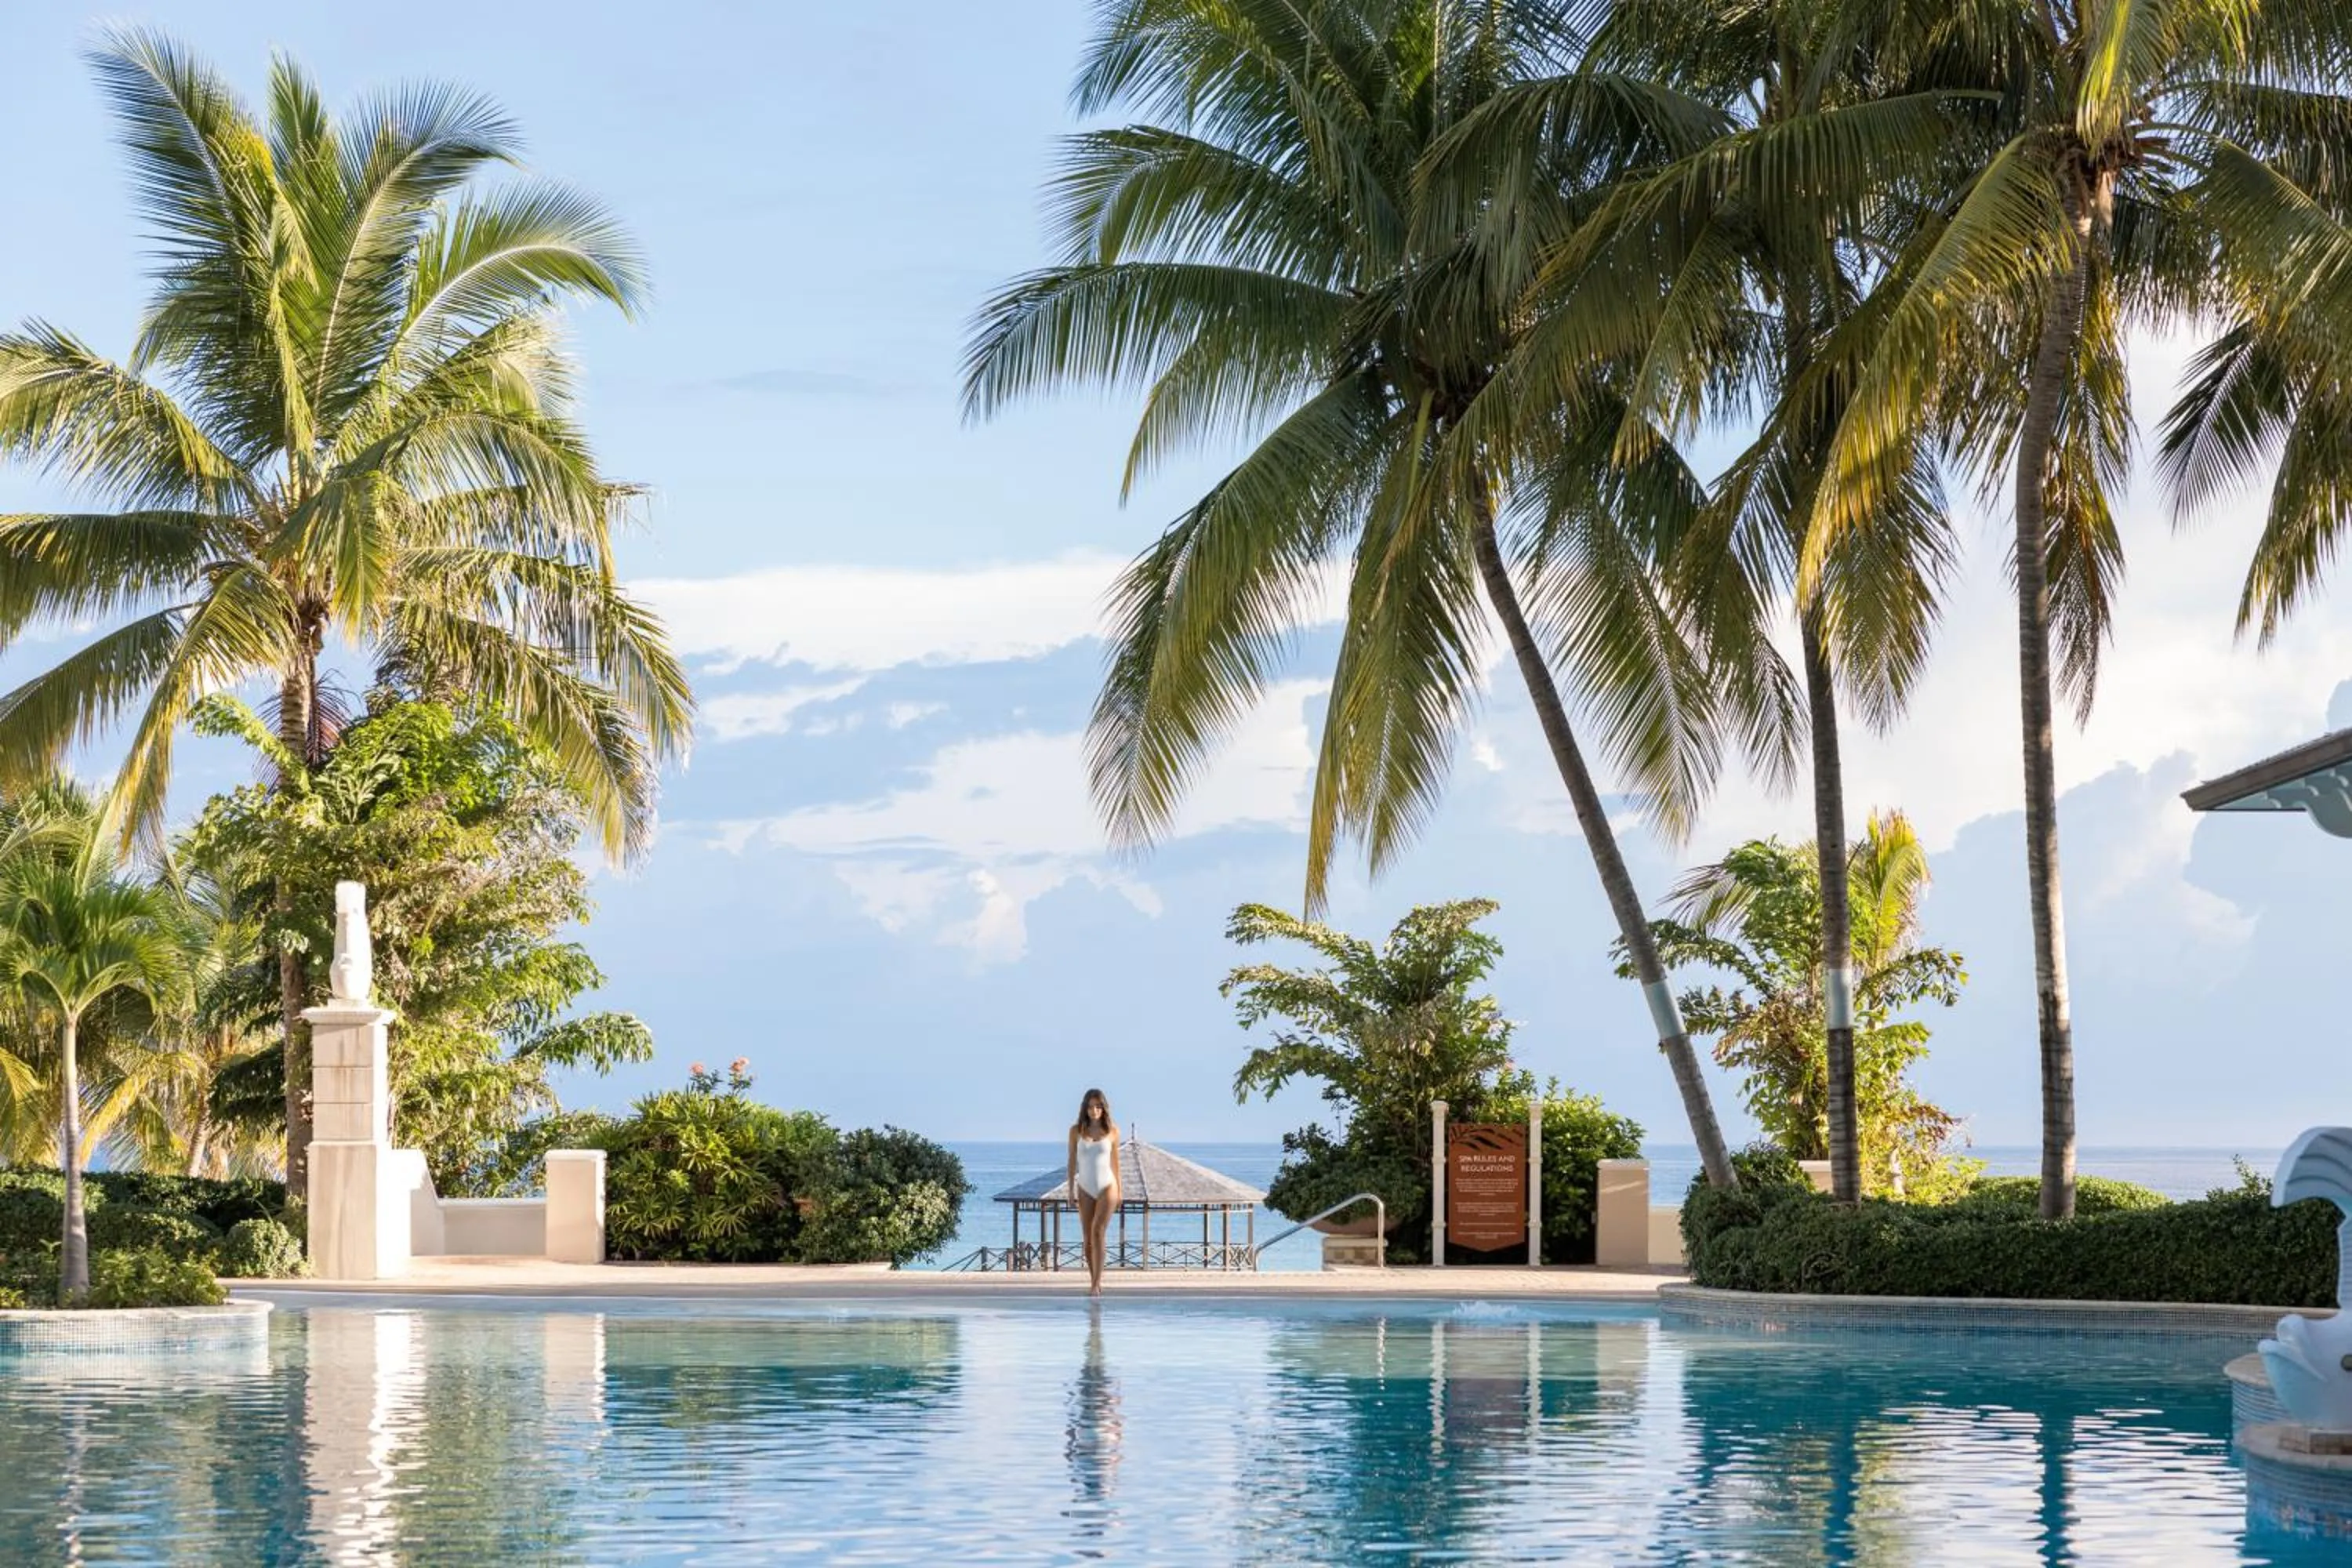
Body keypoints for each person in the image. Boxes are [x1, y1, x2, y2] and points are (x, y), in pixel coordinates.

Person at [1067, 1088, 1120, 1297]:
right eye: (1090, 1106)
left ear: (1104, 1108)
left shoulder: (1113, 1131)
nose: (1094, 1110)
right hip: (1085, 1187)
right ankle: (1093, 1279)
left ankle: (1097, 1283)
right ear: (1085, 1108)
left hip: (1108, 1186)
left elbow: (1115, 1163)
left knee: (1098, 1230)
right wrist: (1070, 1189)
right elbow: (1072, 1161)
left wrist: (1120, 1191)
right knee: (1088, 1237)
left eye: (1098, 1106)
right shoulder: (1076, 1131)